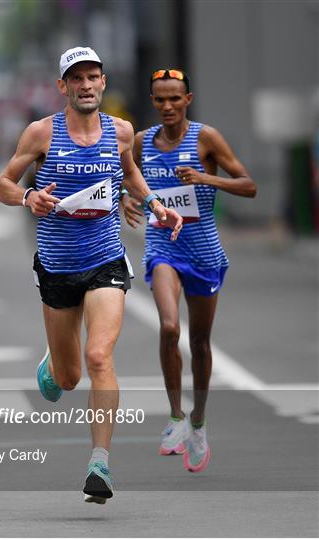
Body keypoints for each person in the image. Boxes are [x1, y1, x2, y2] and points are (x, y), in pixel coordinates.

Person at [0, 48, 183, 504]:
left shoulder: (120, 131)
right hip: (58, 267)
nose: (85, 85)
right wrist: (27, 199)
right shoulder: (41, 133)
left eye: (92, 77)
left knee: (100, 356)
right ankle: (53, 365)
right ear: (62, 86)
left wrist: (155, 204)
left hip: (105, 260)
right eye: (75, 78)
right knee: (70, 376)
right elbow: (2, 184)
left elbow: (130, 173)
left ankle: (99, 462)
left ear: (102, 82)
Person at [121, 68, 256, 473]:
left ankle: (198, 421)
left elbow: (249, 185)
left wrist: (204, 178)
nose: (167, 106)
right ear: (153, 101)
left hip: (204, 252)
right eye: (160, 99)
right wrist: (127, 199)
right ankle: (176, 417)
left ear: (188, 99)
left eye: (174, 99)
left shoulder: (206, 138)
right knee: (168, 328)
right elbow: (124, 181)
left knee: (199, 343)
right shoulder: (143, 142)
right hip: (164, 246)